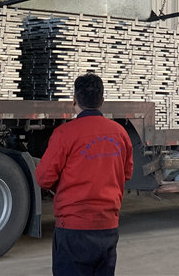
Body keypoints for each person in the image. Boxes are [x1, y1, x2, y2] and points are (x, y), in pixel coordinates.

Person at [36, 72, 134, 276]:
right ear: (102, 101)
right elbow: (126, 173)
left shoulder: (65, 134)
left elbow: (44, 178)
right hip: (108, 227)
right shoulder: (120, 133)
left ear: (74, 100)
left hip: (73, 227)